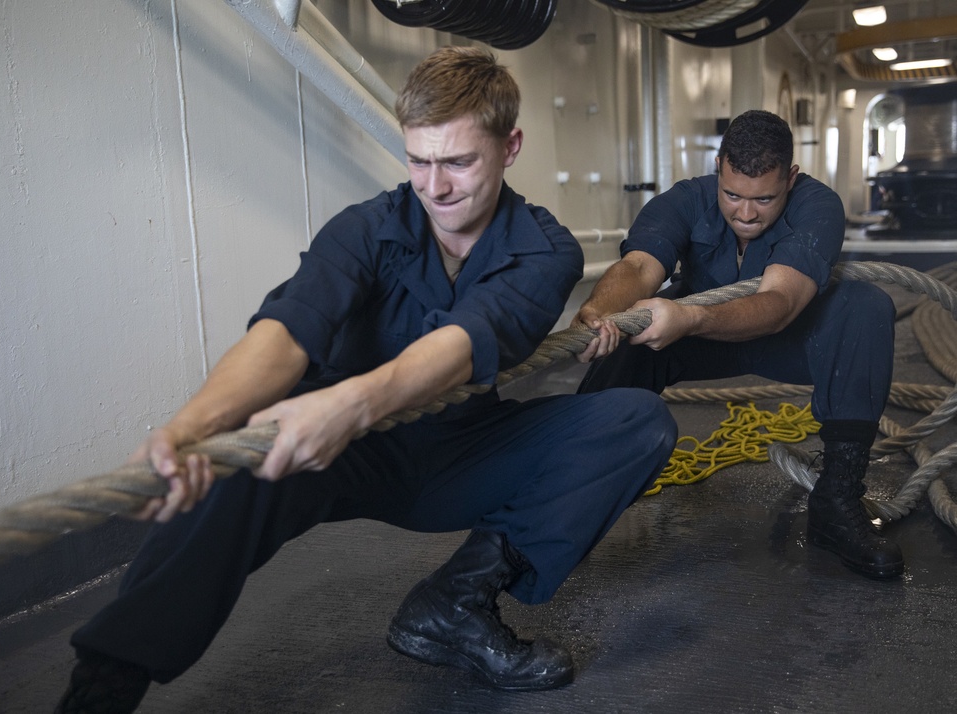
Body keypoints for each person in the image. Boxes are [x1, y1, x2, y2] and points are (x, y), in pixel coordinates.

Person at [54, 47, 677, 712]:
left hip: (456, 453)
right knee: (234, 463)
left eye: (458, 161)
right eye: (418, 160)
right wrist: (189, 428)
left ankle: (453, 604)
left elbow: (464, 342)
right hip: (339, 457)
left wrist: (348, 403)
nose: (434, 186)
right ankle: (106, 682)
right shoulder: (367, 229)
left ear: (510, 146)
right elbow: (287, 332)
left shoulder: (545, 248)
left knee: (635, 421)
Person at [574, 109, 902, 581]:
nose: (745, 213)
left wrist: (690, 318)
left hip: (786, 340)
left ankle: (837, 502)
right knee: (627, 339)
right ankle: (569, 502)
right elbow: (639, 268)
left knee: (866, 307)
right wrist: (600, 313)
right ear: (718, 169)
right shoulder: (686, 200)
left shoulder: (818, 205)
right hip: (696, 339)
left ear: (790, 178)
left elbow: (781, 303)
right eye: (732, 195)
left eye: (764, 198)